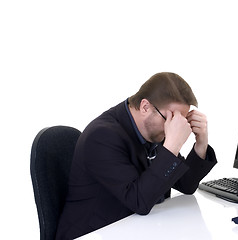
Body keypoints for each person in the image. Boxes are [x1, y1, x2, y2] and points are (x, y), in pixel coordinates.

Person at [56, 72, 217, 239]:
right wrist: (172, 147)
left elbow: (187, 185)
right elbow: (139, 201)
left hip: (135, 229)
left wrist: (201, 143)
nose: (176, 127)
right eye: (172, 119)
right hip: (94, 232)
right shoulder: (102, 136)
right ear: (145, 107)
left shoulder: (155, 130)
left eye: (180, 121)